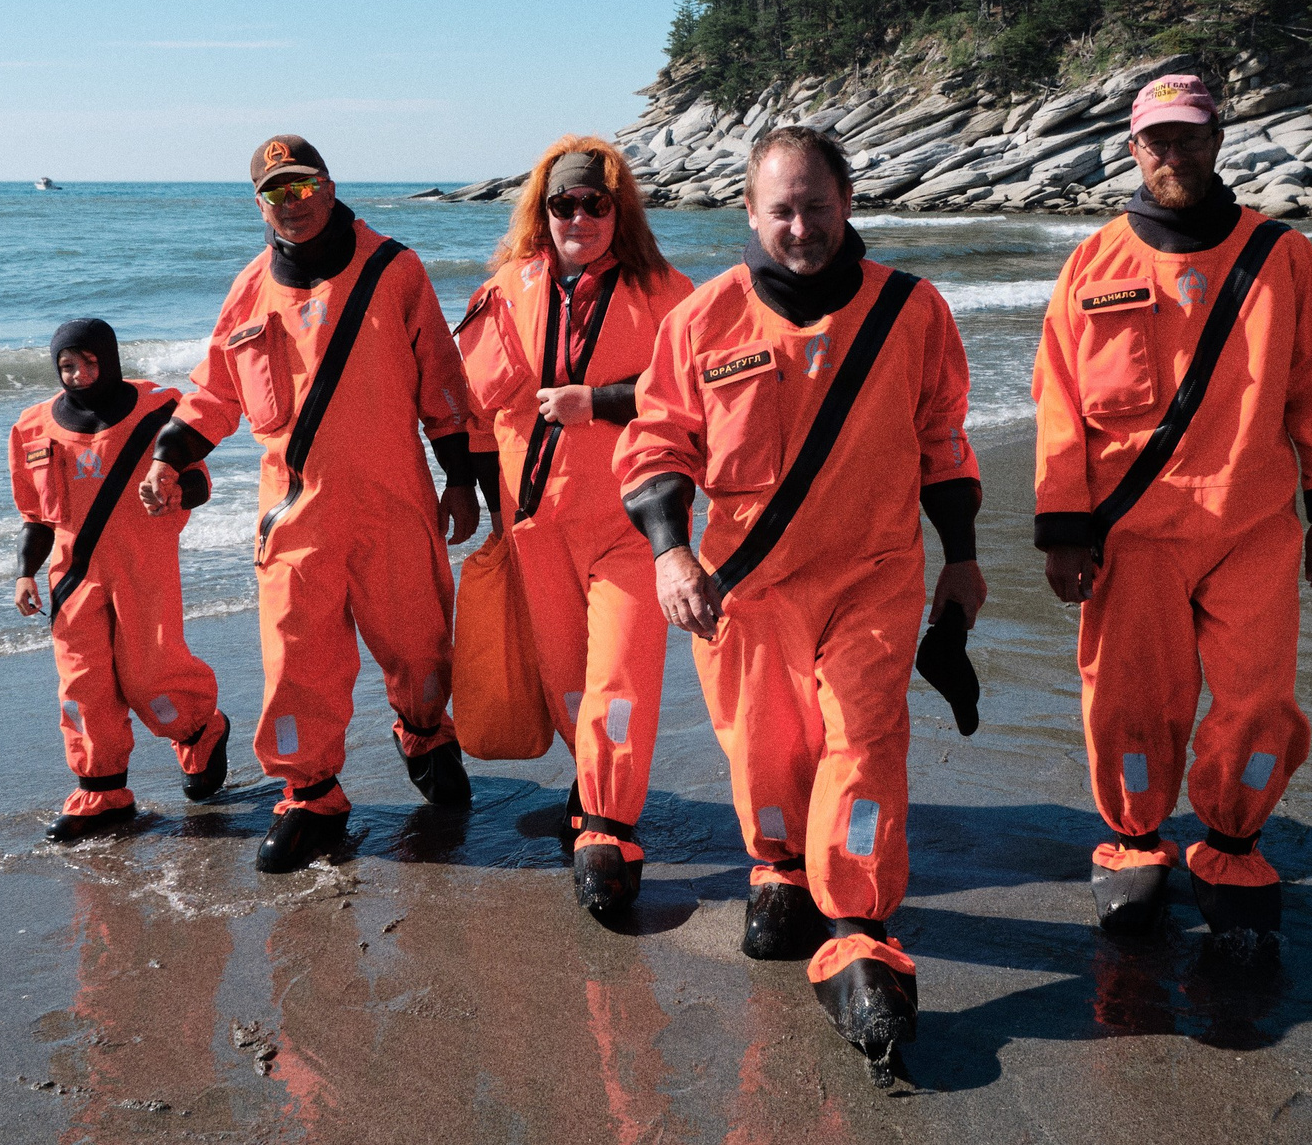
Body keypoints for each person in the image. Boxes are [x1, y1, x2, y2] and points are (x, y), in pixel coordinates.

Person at [613, 125, 982, 1081]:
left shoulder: (913, 311)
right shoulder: (701, 320)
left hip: (874, 573)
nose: (801, 226)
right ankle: (778, 865)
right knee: (763, 744)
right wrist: (669, 555)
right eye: (781, 208)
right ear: (749, 212)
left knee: (863, 740)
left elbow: (943, 443)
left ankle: (861, 929)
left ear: (847, 203)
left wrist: (963, 561)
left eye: (817, 205)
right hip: (745, 588)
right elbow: (657, 445)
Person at [1031, 74, 1312, 947]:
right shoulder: (1093, 262)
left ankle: (1231, 843)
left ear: (1218, 139)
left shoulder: (1283, 256)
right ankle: (1135, 844)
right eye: (1157, 140)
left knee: (1260, 700)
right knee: (1130, 701)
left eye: (1188, 137)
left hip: (1251, 527)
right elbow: (1059, 408)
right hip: (1130, 538)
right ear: (1133, 147)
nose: (1172, 154)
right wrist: (1064, 527)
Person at [139, 135, 483, 874]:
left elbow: (443, 382)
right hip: (294, 519)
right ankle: (310, 792)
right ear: (257, 203)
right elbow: (214, 394)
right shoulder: (249, 288)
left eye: (301, 188)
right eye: (274, 193)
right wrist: (169, 456)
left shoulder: (395, 270)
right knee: (297, 661)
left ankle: (423, 731)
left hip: (396, 505)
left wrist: (460, 477)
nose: (290, 205)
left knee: (421, 647)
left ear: (328, 186)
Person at [455, 137, 694, 916]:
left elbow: (702, 400)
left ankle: (611, 829)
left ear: (619, 211)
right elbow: (478, 415)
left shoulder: (668, 294)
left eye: (596, 203)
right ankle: (594, 786)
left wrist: (602, 401)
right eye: (564, 203)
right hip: (535, 528)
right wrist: (484, 505)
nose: (580, 217)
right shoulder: (503, 291)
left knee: (620, 677)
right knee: (567, 681)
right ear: (542, 210)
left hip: (633, 526)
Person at [10, 318, 229, 842]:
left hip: (143, 566)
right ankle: (101, 789)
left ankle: (199, 730)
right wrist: (24, 575)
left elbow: (197, 482)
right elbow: (36, 519)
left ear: (110, 360)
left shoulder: (159, 411)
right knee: (83, 683)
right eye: (67, 365)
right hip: (73, 579)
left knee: (148, 675)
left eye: (89, 362)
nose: (79, 374)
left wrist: (174, 493)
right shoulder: (32, 428)